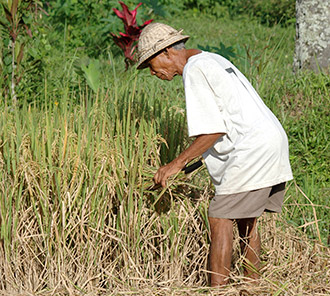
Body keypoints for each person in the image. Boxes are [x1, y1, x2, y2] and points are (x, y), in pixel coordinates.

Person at [136, 22, 293, 287]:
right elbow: (228, 122)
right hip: (270, 141)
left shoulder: (195, 71)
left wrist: (175, 165)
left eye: (151, 66)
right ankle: (250, 287)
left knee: (219, 217)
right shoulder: (211, 60)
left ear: (165, 53)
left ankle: (218, 292)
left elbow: (212, 132)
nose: (154, 73)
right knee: (246, 219)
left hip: (251, 150)